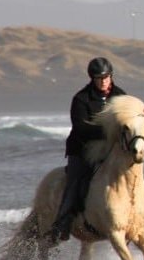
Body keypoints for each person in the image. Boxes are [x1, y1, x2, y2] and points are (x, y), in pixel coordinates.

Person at [48, 57, 126, 242]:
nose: (103, 81)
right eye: (99, 78)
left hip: (110, 151)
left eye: (106, 77)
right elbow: (81, 128)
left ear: (111, 76)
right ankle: (63, 222)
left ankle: (141, 218)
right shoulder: (81, 99)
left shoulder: (121, 96)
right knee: (75, 179)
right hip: (82, 149)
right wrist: (109, 130)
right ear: (92, 78)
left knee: (137, 177)